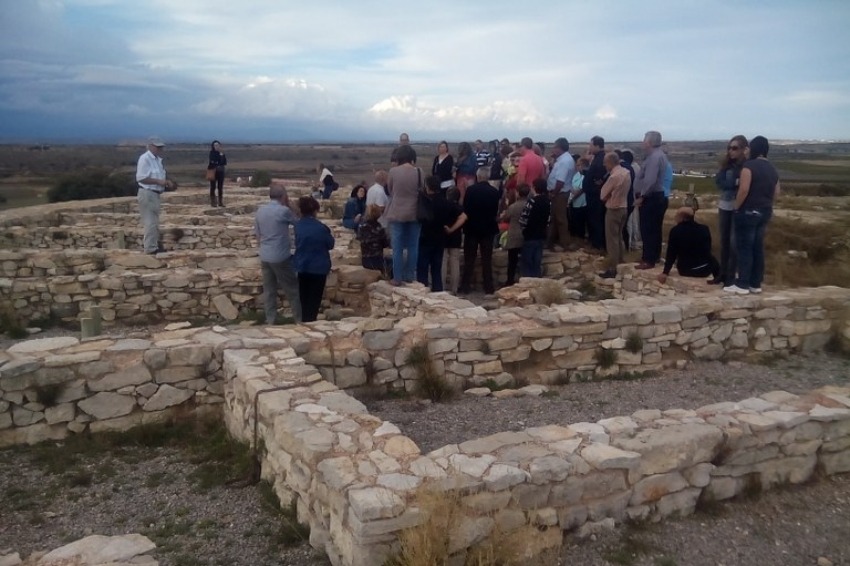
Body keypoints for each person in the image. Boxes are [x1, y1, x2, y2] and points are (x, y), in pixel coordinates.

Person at [725, 135, 780, 295]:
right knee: (757, 247)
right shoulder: (772, 169)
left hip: (748, 210)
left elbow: (744, 189)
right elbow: (777, 193)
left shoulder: (749, 166)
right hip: (765, 210)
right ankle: (755, 283)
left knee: (744, 247)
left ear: (754, 148)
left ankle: (742, 284)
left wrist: (736, 207)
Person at [254, 185, 302, 324]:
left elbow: (258, 235)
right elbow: (298, 221)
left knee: (269, 290)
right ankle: (299, 320)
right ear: (283, 196)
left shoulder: (260, 211)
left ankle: (271, 320)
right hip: (280, 256)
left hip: (265, 255)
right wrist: (290, 205)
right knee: (292, 289)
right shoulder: (283, 211)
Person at [713, 135, 749, 286]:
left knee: (734, 243)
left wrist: (733, 182)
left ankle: (730, 276)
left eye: (734, 148)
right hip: (724, 205)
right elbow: (719, 181)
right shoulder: (726, 165)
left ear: (743, 149)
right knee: (724, 241)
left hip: (737, 206)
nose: (731, 151)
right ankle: (722, 274)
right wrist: (735, 182)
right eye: (729, 148)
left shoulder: (746, 166)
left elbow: (743, 185)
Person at [384, 144, 422, 285]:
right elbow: (421, 188)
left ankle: (397, 277)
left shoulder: (393, 172)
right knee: (413, 246)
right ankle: (410, 276)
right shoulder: (419, 171)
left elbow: (390, 190)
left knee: (397, 246)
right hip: (414, 212)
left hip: (397, 212)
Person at [417, 175, 462, 291]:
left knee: (422, 268)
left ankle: (422, 291)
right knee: (436, 270)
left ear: (427, 187)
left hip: (425, 238)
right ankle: (438, 291)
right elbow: (462, 215)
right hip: (440, 239)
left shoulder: (425, 201)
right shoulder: (445, 202)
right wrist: (451, 228)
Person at [459, 167, 500, 294]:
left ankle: (465, 286)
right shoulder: (494, 191)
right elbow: (495, 210)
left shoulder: (471, 190)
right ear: (487, 177)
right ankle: (488, 286)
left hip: (472, 228)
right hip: (488, 228)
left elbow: (466, 208)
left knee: (469, 259)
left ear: (478, 176)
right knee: (486, 259)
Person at [633, 131, 671, 269]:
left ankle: (648, 260)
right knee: (654, 229)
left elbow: (650, 180)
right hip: (656, 196)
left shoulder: (655, 157)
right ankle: (653, 257)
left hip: (651, 197)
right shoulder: (657, 155)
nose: (642, 141)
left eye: (644, 139)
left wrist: (642, 195)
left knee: (648, 229)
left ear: (649, 142)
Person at [294, 196, 334, 322]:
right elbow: (330, 244)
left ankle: (303, 321)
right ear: (315, 211)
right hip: (319, 267)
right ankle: (310, 322)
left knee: (303, 297)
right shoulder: (321, 228)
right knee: (314, 300)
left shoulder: (297, 226)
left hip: (302, 266)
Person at [657, 207, 720, 285]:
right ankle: (719, 280)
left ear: (682, 217)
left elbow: (671, 254)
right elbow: (708, 248)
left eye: (676, 215)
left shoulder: (676, 231)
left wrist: (665, 272)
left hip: (686, 270)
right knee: (713, 259)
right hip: (705, 269)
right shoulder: (704, 229)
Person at [136, 137, 174, 255]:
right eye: (157, 147)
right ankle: (150, 248)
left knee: (154, 222)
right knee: (150, 222)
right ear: (150, 146)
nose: (159, 149)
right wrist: (159, 182)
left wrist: (165, 183)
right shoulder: (145, 159)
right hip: (147, 193)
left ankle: (154, 245)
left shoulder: (157, 160)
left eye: (161, 147)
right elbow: (141, 178)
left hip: (155, 194)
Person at [599, 153, 632, 278]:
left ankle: (613, 268)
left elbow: (603, 195)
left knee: (611, 240)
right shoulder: (626, 172)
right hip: (624, 207)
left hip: (613, 208)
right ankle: (620, 261)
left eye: (605, 162)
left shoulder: (614, 176)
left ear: (610, 162)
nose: (604, 165)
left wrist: (607, 196)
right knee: (619, 237)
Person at [547, 137, 576, 251]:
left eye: (554, 147)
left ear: (559, 148)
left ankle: (565, 243)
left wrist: (554, 193)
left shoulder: (565, 161)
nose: (553, 149)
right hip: (559, 192)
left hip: (560, 193)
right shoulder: (562, 159)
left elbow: (560, 181)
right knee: (554, 218)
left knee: (560, 219)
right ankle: (550, 242)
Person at [519, 179, 550, 278]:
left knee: (528, 262)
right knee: (537, 262)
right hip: (541, 235)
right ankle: (537, 281)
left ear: (535, 188)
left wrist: (523, 229)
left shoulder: (531, 201)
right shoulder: (547, 201)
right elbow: (549, 219)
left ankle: (528, 283)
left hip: (530, 235)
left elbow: (523, 218)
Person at [501, 183, 529, 286]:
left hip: (514, 236)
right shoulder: (529, 205)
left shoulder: (513, 206)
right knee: (525, 260)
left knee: (512, 261)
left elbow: (506, 218)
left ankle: (510, 281)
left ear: (518, 193)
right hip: (525, 236)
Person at [583, 136, 607, 250]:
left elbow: (598, 177)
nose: (590, 148)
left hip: (595, 195)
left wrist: (595, 182)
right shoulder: (596, 158)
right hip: (593, 193)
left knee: (596, 220)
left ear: (597, 146)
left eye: (591, 145)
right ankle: (595, 242)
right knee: (593, 219)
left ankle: (598, 244)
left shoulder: (600, 159)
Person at [442, 187, 467, 294]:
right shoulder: (459, 208)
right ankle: (454, 289)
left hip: (443, 236)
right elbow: (464, 217)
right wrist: (453, 229)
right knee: (455, 262)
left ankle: (441, 287)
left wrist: (447, 228)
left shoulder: (443, 206)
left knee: (442, 262)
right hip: (455, 236)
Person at [359, 204, 391, 277]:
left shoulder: (362, 227)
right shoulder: (379, 228)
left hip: (366, 259)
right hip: (377, 259)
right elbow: (385, 244)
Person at [569, 156, 588, 240]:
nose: (577, 167)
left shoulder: (586, 176)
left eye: (578, 165)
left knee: (580, 223)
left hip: (582, 203)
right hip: (573, 202)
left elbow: (581, 190)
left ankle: (581, 239)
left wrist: (573, 195)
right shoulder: (576, 175)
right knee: (574, 221)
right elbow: (571, 186)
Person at [207, 140, 227, 208]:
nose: (216, 147)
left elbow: (224, 162)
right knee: (213, 187)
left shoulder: (222, 153)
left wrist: (221, 157)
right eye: (215, 145)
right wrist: (218, 161)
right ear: (213, 146)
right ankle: (213, 202)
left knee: (220, 187)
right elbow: (213, 161)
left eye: (218, 145)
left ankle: (220, 202)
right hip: (213, 171)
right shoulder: (212, 153)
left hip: (220, 171)